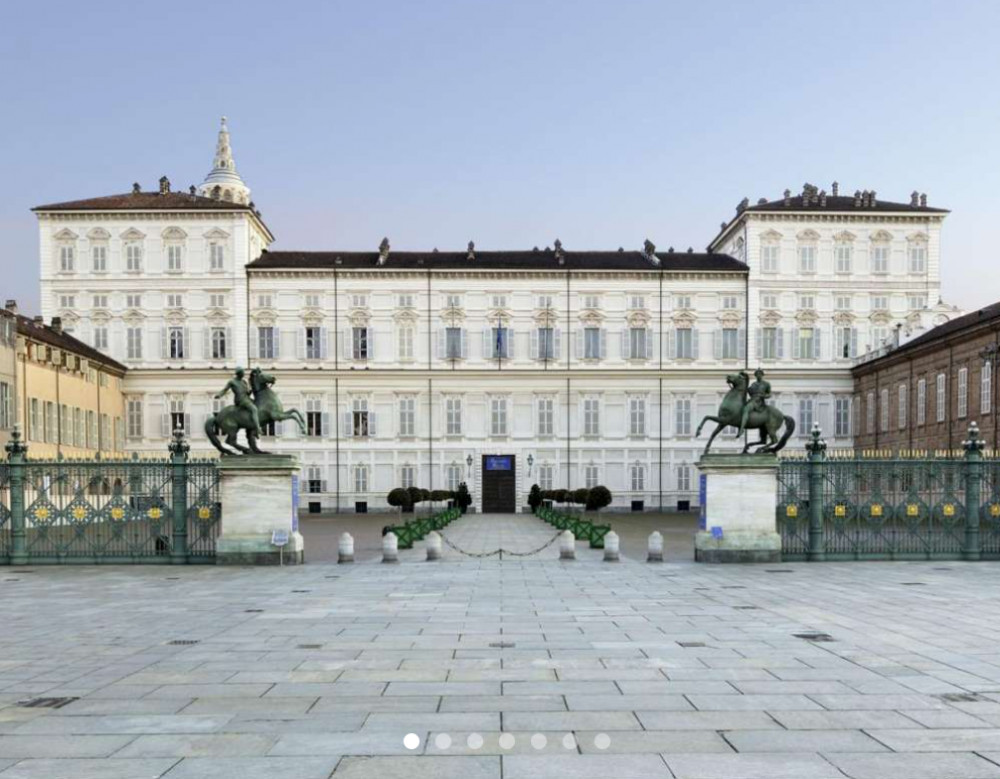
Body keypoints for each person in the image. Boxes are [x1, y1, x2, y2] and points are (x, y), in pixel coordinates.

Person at [215, 367, 262, 437]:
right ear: (238, 374)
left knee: (258, 406)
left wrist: (250, 391)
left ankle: (252, 429)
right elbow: (225, 390)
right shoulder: (232, 382)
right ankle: (257, 428)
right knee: (254, 409)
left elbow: (246, 393)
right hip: (240, 400)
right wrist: (219, 395)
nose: (243, 375)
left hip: (246, 398)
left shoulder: (244, 382)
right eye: (242, 373)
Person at [737, 368, 771, 437]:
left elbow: (769, 394)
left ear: (762, 375)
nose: (759, 375)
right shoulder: (753, 384)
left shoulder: (766, 384)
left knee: (746, 409)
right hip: (752, 399)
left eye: (760, 374)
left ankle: (741, 429)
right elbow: (749, 392)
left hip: (759, 402)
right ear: (755, 376)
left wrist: (763, 396)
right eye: (757, 374)